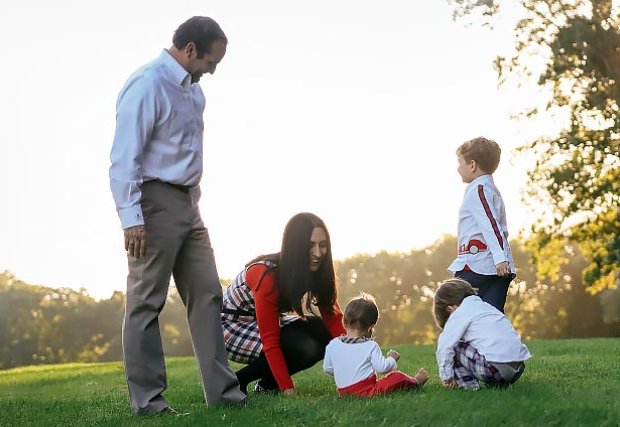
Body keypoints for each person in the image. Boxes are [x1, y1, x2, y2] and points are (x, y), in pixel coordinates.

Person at [109, 16, 245, 415]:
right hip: (153, 202)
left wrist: (193, 199)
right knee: (146, 302)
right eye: (210, 62)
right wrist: (131, 217)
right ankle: (149, 402)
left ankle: (224, 394)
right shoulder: (148, 83)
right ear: (190, 50)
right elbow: (123, 157)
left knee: (207, 293)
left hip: (189, 204)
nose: (212, 71)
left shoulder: (194, 93)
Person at [221, 212, 346, 395]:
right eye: (310, 245)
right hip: (230, 326)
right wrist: (288, 389)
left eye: (323, 245)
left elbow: (334, 320)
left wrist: (360, 361)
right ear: (295, 246)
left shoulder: (315, 270)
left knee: (322, 331)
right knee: (304, 346)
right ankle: (238, 380)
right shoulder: (265, 274)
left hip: (261, 322)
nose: (318, 253)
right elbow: (270, 340)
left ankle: (267, 385)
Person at [448, 136, 516, 313]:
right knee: (491, 316)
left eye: (459, 162)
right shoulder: (486, 188)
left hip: (480, 264)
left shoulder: (480, 190)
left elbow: (491, 224)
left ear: (472, 165)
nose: (457, 168)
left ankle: (458, 340)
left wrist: (500, 258)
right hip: (493, 265)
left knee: (452, 307)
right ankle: (492, 340)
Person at [323, 293, 429, 397]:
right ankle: (416, 381)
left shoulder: (333, 344)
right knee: (397, 377)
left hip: (343, 392)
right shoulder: (370, 345)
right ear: (371, 327)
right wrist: (392, 359)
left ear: (344, 322)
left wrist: (344, 373)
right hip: (368, 391)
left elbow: (327, 368)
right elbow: (382, 368)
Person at [433, 278, 531, 390]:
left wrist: (447, 376)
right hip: (517, 368)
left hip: (497, 369)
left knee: (456, 346)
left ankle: (469, 388)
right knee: (478, 343)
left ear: (450, 309)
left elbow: (445, 346)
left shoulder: (460, 312)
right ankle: (497, 385)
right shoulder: (485, 307)